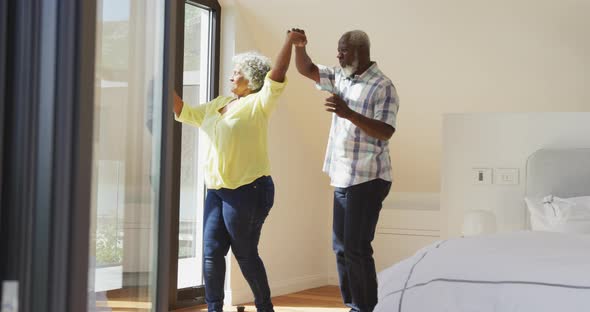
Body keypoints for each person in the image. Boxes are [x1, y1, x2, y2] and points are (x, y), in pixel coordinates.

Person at [173, 30, 306, 312]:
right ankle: (214, 308)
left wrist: (288, 42)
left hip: (249, 190)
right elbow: (185, 112)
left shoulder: (259, 103)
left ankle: (264, 307)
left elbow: (278, 74)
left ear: (252, 79)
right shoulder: (218, 104)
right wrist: (163, 81)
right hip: (217, 191)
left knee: (245, 253)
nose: (231, 76)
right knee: (211, 253)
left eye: (237, 72)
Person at [293, 29, 399, 312]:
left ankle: (366, 308)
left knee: (356, 248)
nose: (338, 55)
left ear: (360, 51)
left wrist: (348, 112)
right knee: (341, 248)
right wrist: (299, 45)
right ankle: (354, 304)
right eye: (338, 50)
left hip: (368, 178)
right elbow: (306, 69)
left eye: (343, 50)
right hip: (342, 176)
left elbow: (385, 132)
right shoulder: (340, 76)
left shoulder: (382, 86)